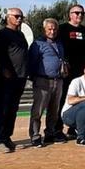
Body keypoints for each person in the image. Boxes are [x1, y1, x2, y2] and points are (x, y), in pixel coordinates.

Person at [0, 8, 28, 153]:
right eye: (16, 16)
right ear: (8, 17)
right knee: (3, 108)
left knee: (13, 109)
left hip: (20, 77)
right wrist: (5, 70)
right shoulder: (2, 34)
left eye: (21, 16)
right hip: (6, 79)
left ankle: (7, 137)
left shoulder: (20, 34)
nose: (20, 19)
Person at [57, 4, 85, 138]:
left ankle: (74, 128)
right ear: (70, 14)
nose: (80, 15)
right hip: (65, 72)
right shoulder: (62, 29)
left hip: (81, 72)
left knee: (79, 99)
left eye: (82, 13)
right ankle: (57, 130)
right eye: (77, 13)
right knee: (62, 100)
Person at [28, 18, 65, 147]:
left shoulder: (60, 43)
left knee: (54, 111)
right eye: (49, 29)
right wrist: (34, 79)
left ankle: (50, 133)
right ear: (44, 30)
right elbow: (31, 62)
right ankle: (35, 135)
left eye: (54, 29)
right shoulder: (38, 44)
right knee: (38, 110)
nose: (52, 31)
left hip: (58, 80)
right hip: (42, 80)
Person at [61, 61, 85, 146]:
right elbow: (70, 100)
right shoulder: (76, 82)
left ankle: (84, 131)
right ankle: (81, 138)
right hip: (68, 116)